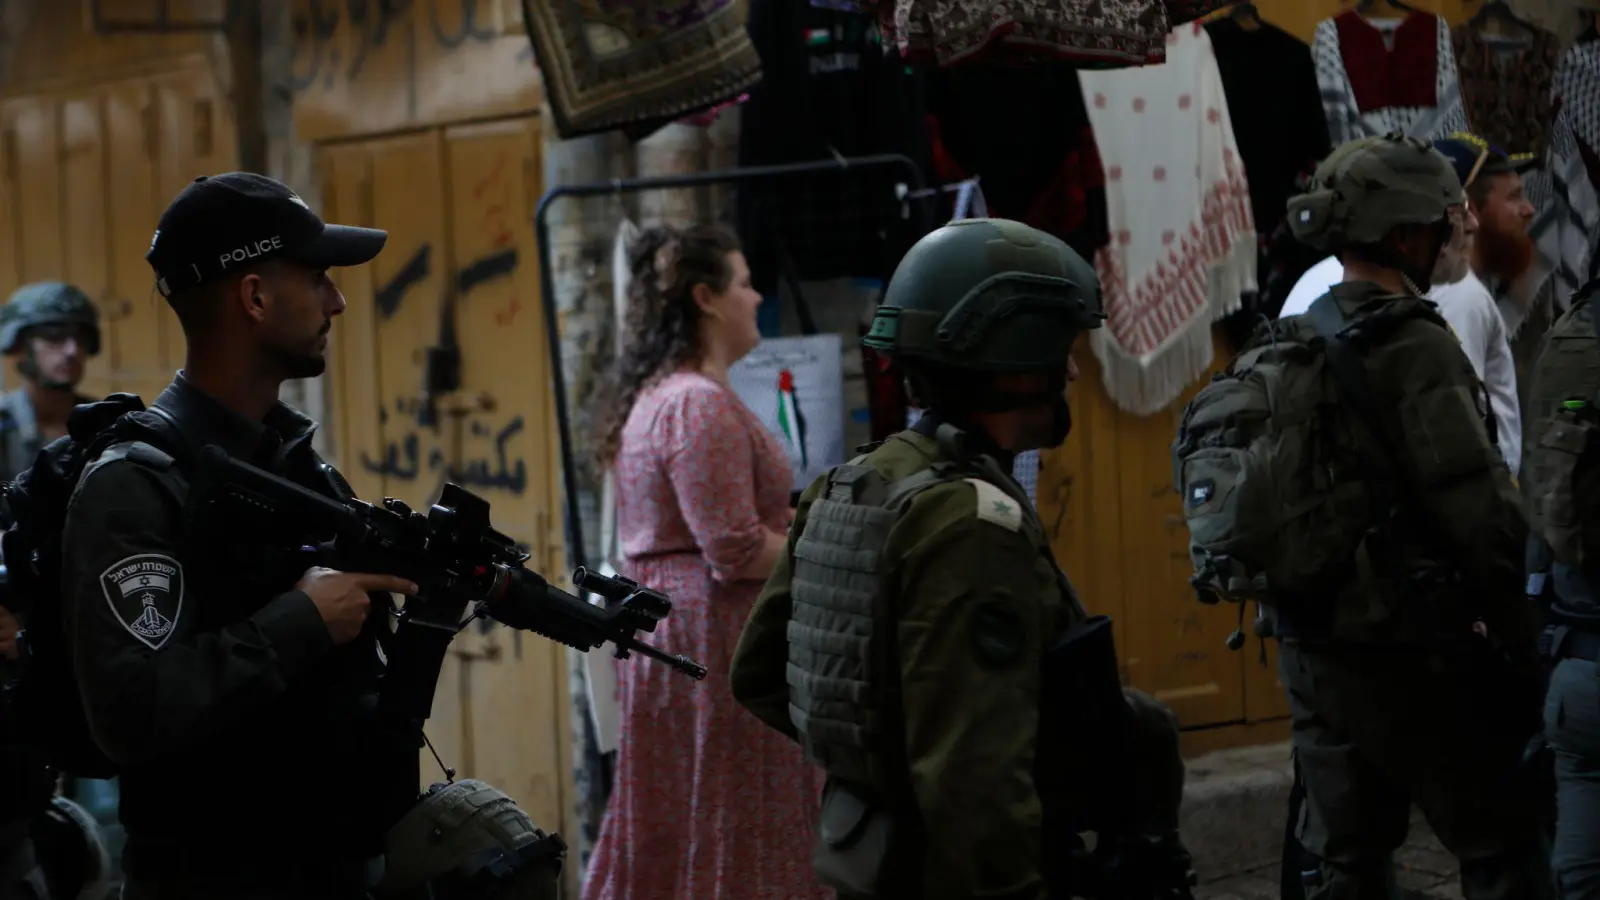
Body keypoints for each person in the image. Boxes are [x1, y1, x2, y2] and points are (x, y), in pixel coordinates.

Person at [729, 218, 1193, 900]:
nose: (1071, 370)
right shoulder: (969, 524)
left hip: (876, 857)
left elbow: (760, 673)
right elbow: (974, 778)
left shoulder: (854, 483)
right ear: (1013, 357)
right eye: (1061, 348)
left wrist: (879, 757)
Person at [59, 171, 428, 899]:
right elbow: (133, 712)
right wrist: (301, 621)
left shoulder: (296, 468)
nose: (337, 301)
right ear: (255, 297)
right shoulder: (134, 485)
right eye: (318, 278)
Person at [1272, 134, 1550, 900]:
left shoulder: (1293, 331)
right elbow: (1480, 511)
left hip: (1312, 649)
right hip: (1410, 648)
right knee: (1503, 844)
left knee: (1348, 865)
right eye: (1443, 220)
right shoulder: (1413, 344)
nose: (1458, 231)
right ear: (1404, 237)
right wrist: (1528, 633)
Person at [580, 223, 826, 900]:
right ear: (706, 299)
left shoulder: (669, 395)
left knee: (694, 819)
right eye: (744, 283)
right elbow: (734, 549)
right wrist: (832, 546)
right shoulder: (694, 402)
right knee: (735, 820)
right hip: (713, 642)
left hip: (684, 636)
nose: (756, 297)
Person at [1278, 133, 1524, 475]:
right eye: (1455, 214)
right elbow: (1472, 489)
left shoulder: (1297, 320)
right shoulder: (1424, 342)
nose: (1472, 225)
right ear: (1406, 237)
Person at [0, 282, 105, 899]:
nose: (69, 351)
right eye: (53, 338)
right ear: (20, 347)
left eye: (79, 339)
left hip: (93, 640)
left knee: (109, 811)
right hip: (13, 649)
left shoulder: (105, 430)